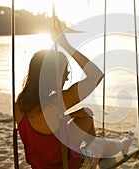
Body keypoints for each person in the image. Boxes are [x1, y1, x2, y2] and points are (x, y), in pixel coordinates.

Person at [14, 17, 132, 169]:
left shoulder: (20, 104)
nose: (68, 77)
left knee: (86, 119)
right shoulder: (56, 103)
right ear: (53, 75)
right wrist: (65, 44)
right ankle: (123, 145)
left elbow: (44, 132)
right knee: (98, 143)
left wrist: (73, 114)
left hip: (43, 165)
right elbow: (96, 76)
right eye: (65, 72)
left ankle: (107, 153)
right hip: (67, 166)